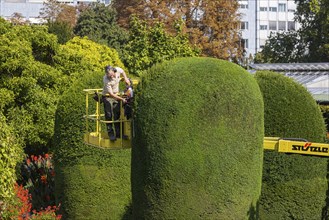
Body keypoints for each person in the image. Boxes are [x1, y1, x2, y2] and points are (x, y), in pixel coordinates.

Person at [102, 65, 130, 141]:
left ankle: (119, 134)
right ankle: (111, 134)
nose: (110, 77)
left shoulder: (117, 70)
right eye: (108, 75)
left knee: (117, 114)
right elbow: (111, 94)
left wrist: (126, 79)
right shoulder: (106, 79)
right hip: (107, 97)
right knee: (109, 115)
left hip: (116, 95)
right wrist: (122, 99)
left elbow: (122, 71)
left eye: (111, 75)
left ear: (114, 71)